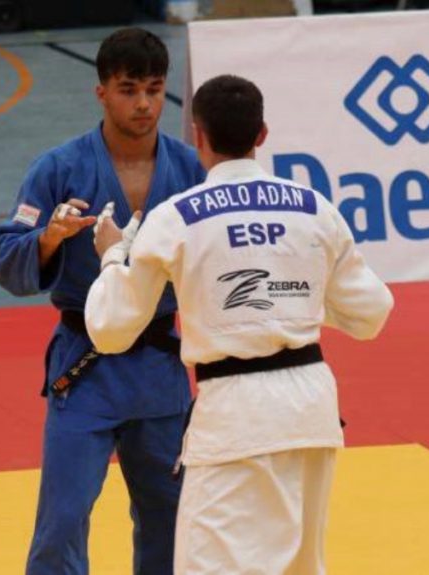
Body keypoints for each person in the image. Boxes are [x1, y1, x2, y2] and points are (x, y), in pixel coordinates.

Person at [85, 75, 394, 574]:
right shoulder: (314, 207)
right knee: (298, 566)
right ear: (262, 134)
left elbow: (111, 329)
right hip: (311, 410)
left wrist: (112, 256)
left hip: (237, 414)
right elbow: (371, 313)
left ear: (198, 136)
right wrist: (293, 301)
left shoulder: (176, 217)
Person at [0, 28, 206, 575]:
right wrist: (49, 239)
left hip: (158, 367)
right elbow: (6, 257)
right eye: (129, 90)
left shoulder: (190, 170)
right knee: (61, 521)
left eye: (153, 89)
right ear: (102, 92)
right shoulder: (59, 169)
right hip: (85, 367)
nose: (144, 104)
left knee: (171, 518)